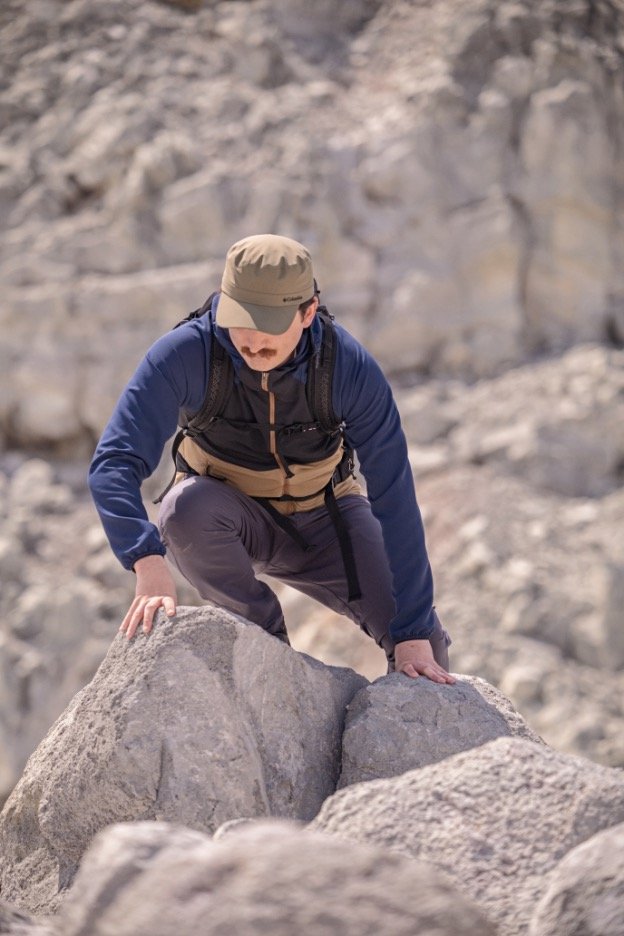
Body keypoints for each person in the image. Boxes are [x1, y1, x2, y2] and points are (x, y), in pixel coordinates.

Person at [89, 234, 455, 684]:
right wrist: (146, 560)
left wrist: (412, 630)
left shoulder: (347, 368)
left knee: (425, 651)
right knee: (184, 511)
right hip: (227, 519)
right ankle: (267, 648)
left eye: (270, 325)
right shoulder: (185, 354)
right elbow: (114, 461)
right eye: (241, 321)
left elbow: (394, 496)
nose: (253, 341)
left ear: (308, 312)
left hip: (328, 521)